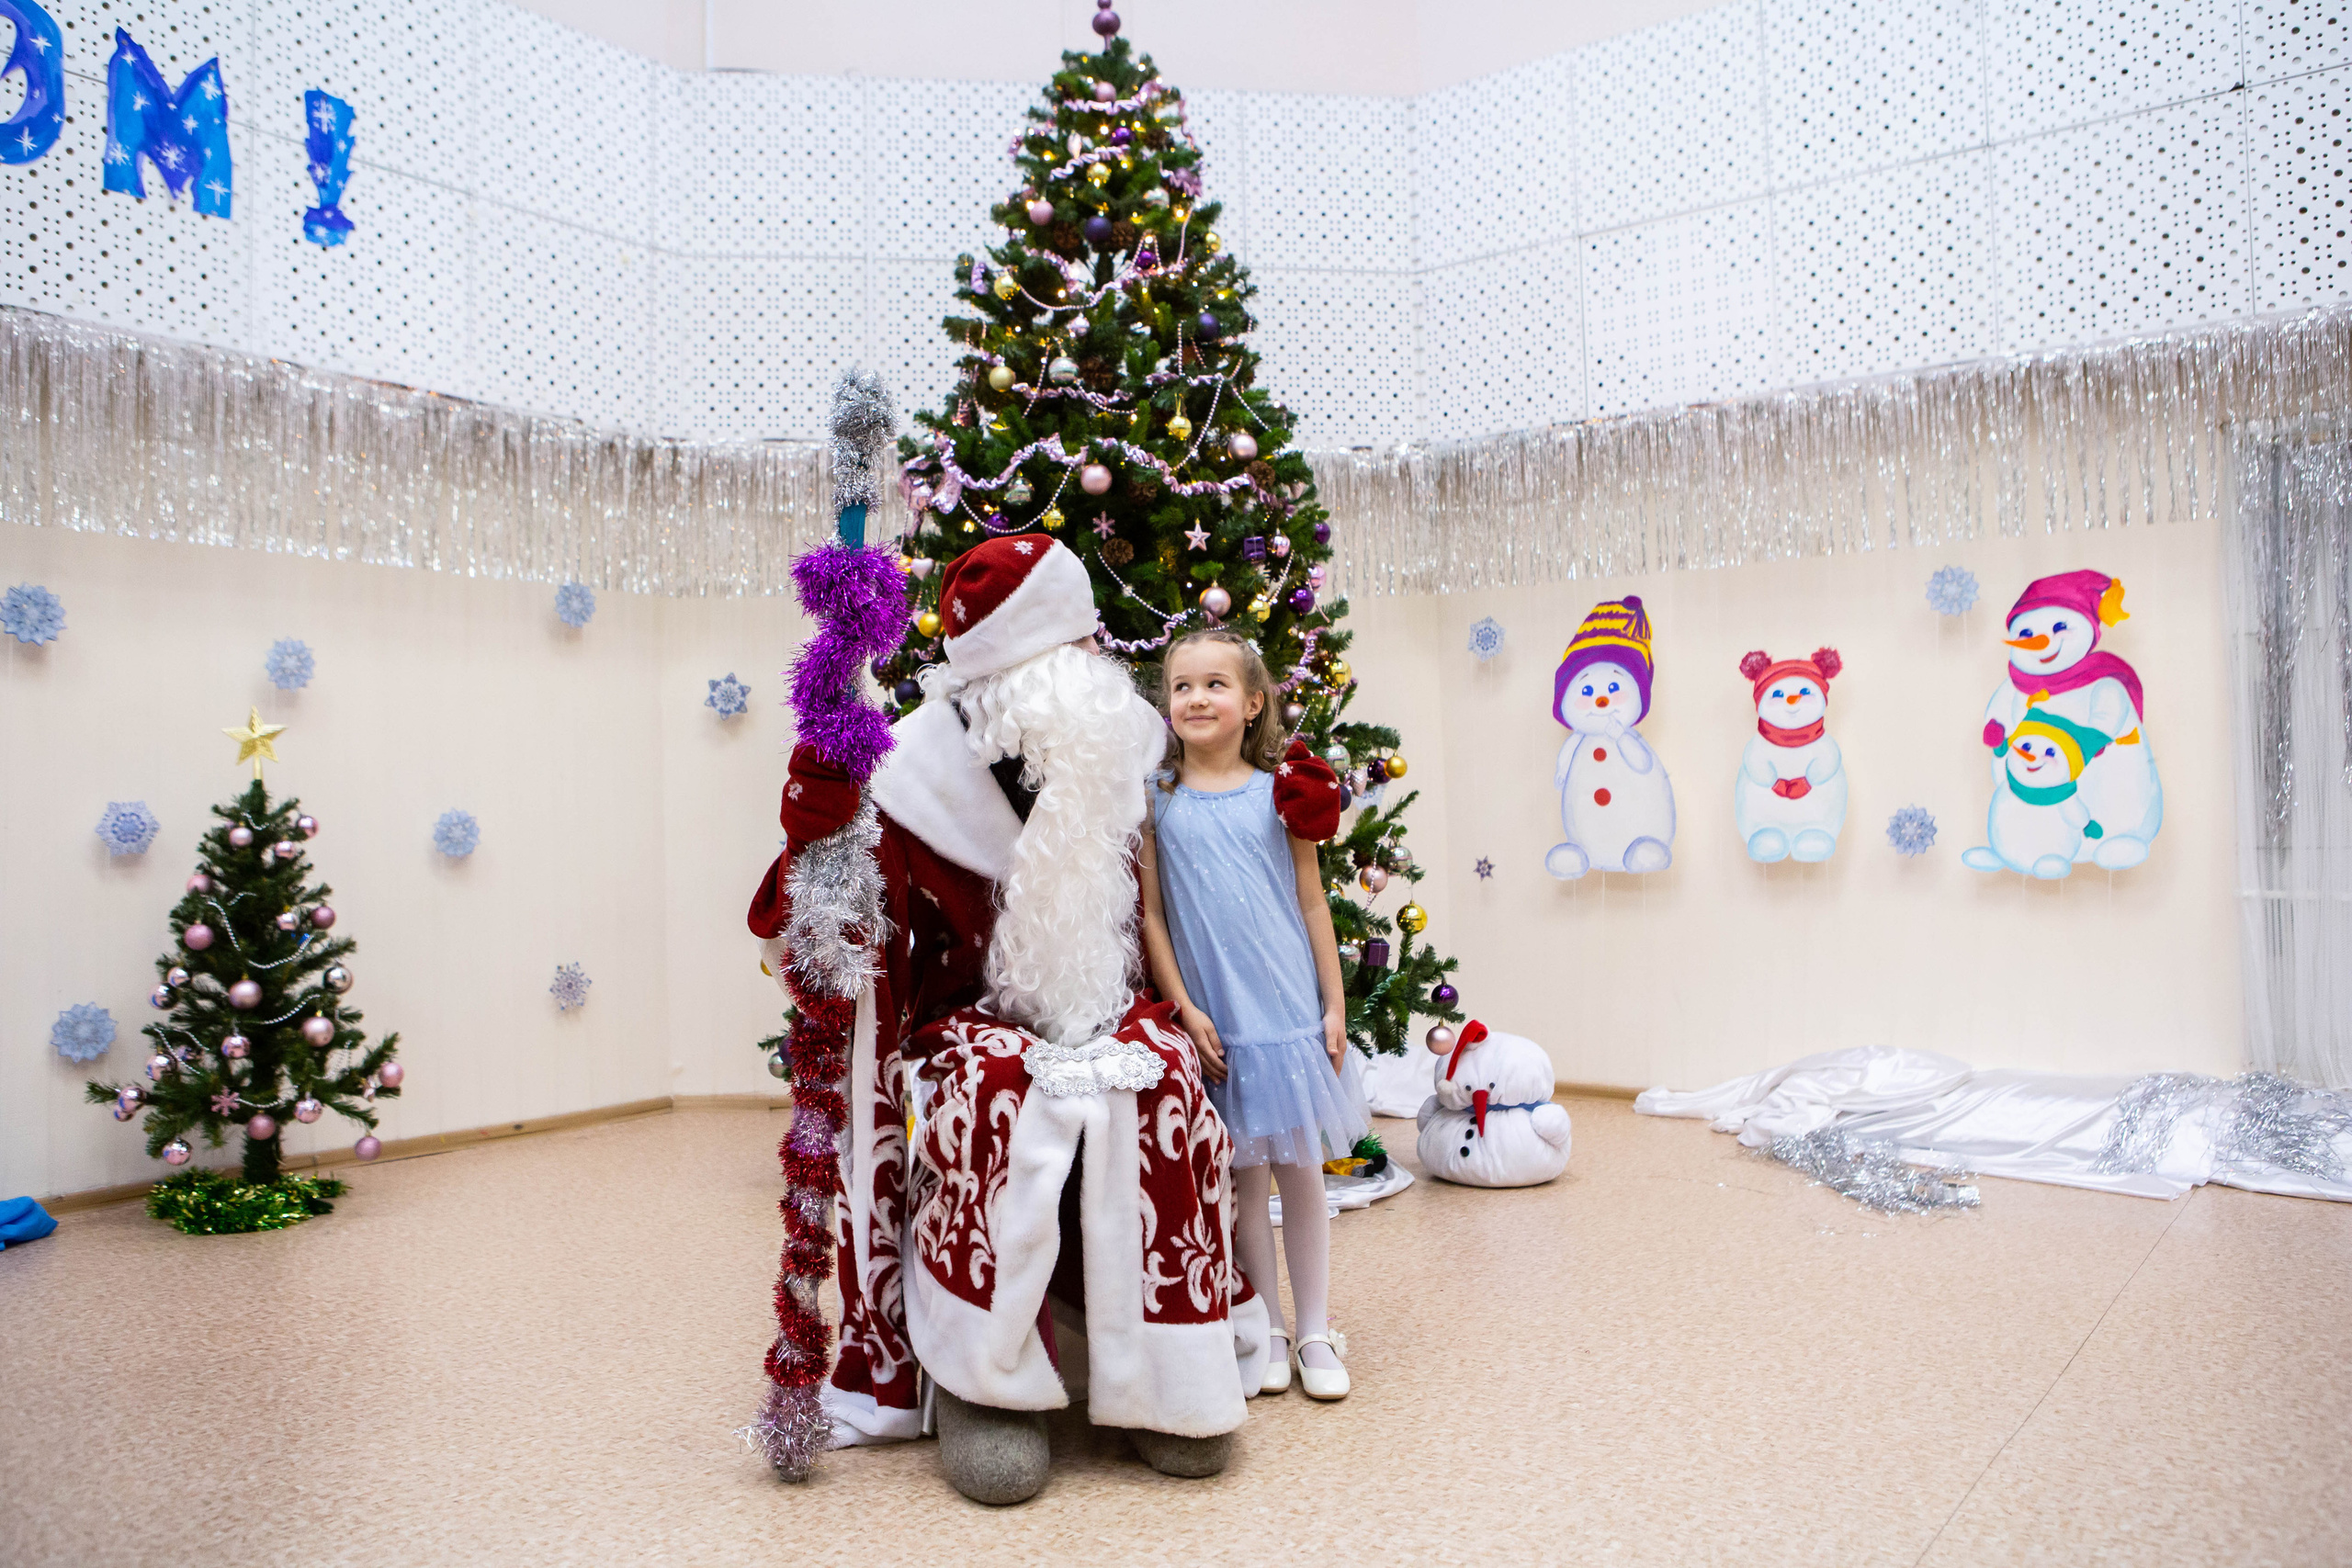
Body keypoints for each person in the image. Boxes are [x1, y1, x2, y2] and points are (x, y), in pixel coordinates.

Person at [745, 536, 1272, 1505]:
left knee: (1162, 1088)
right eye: (1072, 647)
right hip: (962, 1026)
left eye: (1089, 646)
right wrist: (817, 837)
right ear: (1016, 673)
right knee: (999, 1097)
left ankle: (1172, 1373)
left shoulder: (1107, 753)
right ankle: (987, 1379)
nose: (1093, 666)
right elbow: (822, 940)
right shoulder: (908, 776)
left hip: (1104, 1012)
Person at [1139, 628, 1364, 1402]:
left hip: (1288, 1013)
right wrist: (1184, 1007)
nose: (1196, 698)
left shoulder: (1282, 790)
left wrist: (1334, 1001)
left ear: (1254, 700)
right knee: (1241, 1178)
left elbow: (1311, 898)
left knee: (1300, 1173)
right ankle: (1264, 1322)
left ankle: (1313, 1329)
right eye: (1181, 687)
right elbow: (1154, 917)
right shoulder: (1155, 800)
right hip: (1217, 1022)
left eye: (1215, 684)